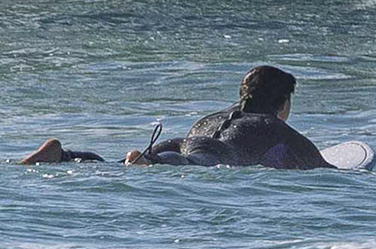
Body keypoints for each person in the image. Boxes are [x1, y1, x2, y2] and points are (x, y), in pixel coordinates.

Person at [18, 65, 332, 170]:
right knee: (190, 165)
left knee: (117, 166)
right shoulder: (272, 126)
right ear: (282, 102)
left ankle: (64, 155)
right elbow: (325, 168)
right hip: (211, 153)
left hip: (180, 140)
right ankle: (147, 161)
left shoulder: (215, 117)